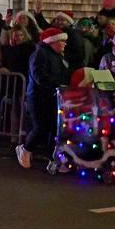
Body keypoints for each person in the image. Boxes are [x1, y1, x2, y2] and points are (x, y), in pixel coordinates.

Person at [17, 27, 70, 169]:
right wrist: (58, 84)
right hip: (38, 96)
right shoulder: (39, 54)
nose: (65, 44)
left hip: (53, 96)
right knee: (40, 127)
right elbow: (39, 76)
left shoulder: (58, 56)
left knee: (54, 128)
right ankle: (26, 149)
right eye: (62, 41)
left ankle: (53, 158)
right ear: (53, 42)